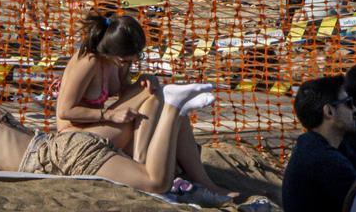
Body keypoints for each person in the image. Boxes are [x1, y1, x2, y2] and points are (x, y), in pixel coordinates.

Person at [0, 74, 216, 192]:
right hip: (59, 141)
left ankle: (173, 106)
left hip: (55, 158)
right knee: (140, 151)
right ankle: (162, 101)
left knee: (155, 182)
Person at [55, 13, 231, 197]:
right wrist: (108, 115)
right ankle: (143, 162)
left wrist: (144, 80)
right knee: (154, 97)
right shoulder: (88, 61)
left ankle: (205, 181)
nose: (128, 64)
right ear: (108, 51)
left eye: (132, 61)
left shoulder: (117, 60)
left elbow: (124, 91)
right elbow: (65, 111)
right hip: (74, 136)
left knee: (170, 110)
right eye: (125, 61)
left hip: (98, 127)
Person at [281, 75, 356, 212]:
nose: (354, 109)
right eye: (348, 103)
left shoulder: (320, 145)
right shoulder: (322, 159)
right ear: (329, 111)